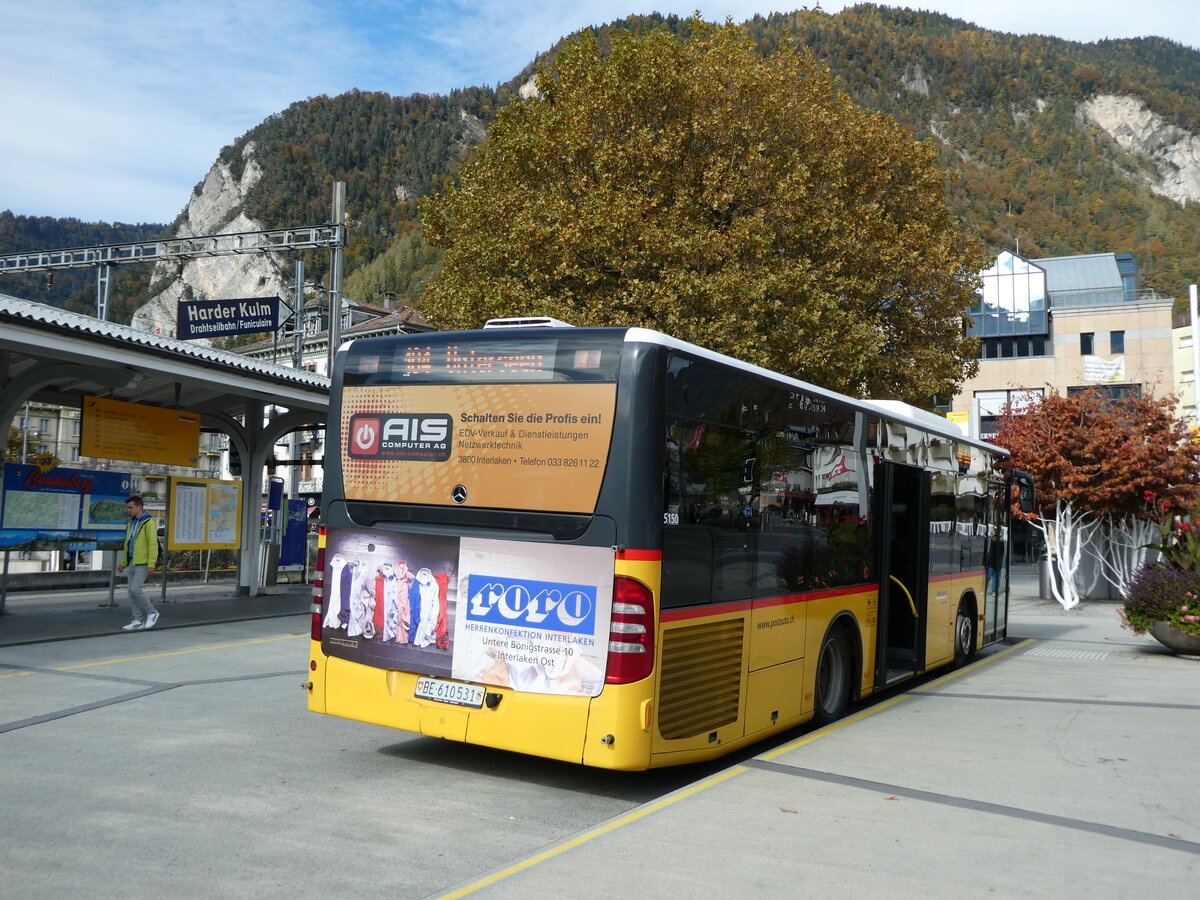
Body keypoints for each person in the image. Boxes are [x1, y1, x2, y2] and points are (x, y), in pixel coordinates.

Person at [117, 495, 160, 631]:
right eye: (128, 508)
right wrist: (123, 563)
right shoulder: (133, 523)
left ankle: (152, 612)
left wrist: (151, 564)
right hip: (131, 562)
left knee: (136, 589)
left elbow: (152, 544)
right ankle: (138, 620)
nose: (128, 510)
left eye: (130, 507)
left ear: (139, 507)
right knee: (131, 592)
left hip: (142, 562)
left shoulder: (148, 522)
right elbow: (128, 544)